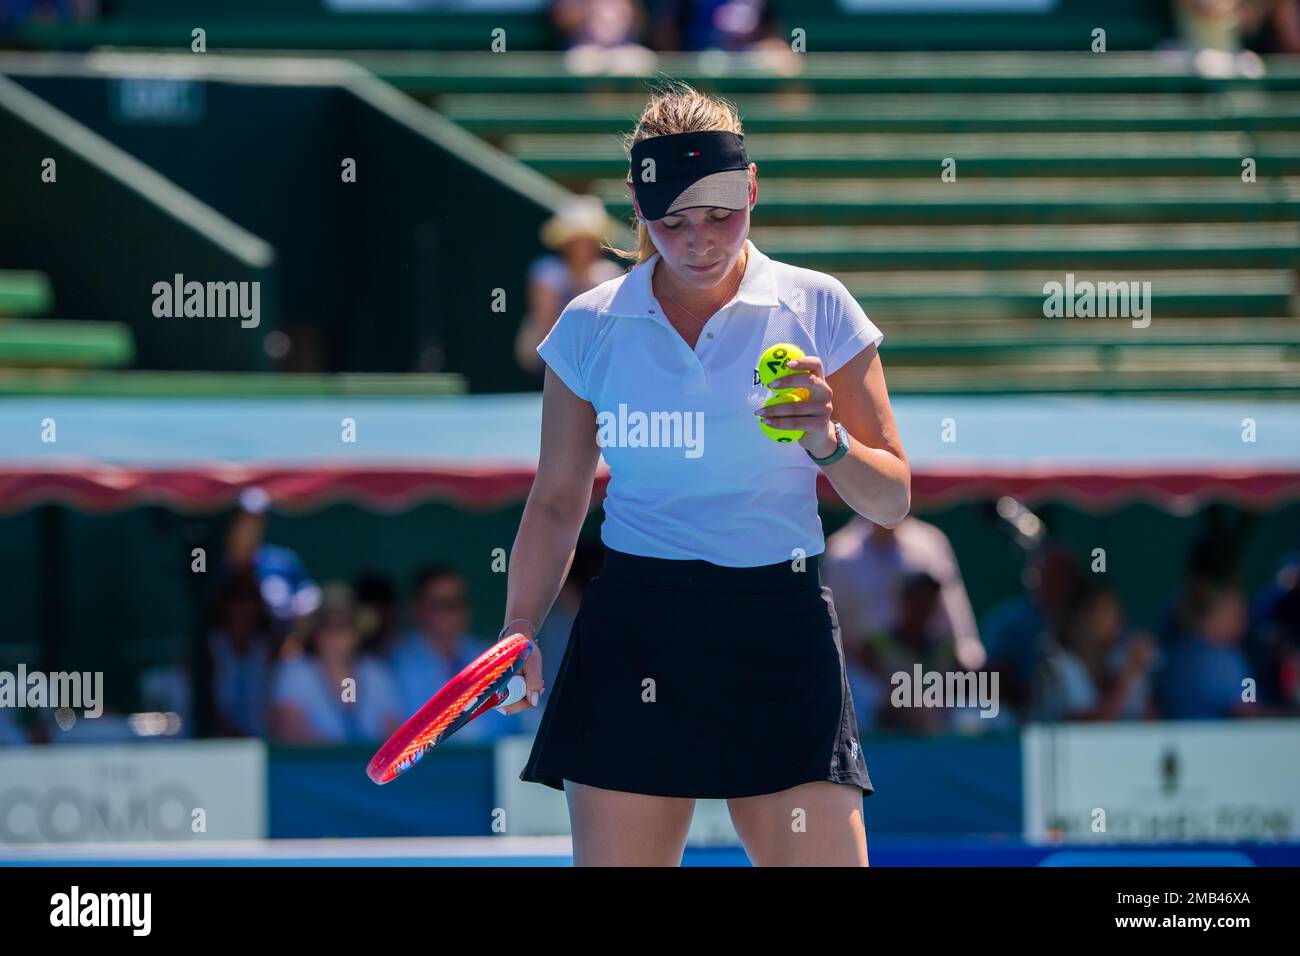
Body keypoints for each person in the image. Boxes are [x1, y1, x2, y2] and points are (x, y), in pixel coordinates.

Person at [502, 83, 910, 866]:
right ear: (635, 205)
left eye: (722, 215)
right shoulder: (587, 325)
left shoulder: (820, 305)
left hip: (781, 624)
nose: (699, 242)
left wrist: (829, 444)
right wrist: (519, 627)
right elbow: (557, 502)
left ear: (752, 188)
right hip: (635, 632)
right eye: (672, 223)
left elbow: (891, 500)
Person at [823, 514, 985, 674]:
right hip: (861, 679)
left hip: (928, 673)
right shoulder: (840, 552)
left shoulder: (930, 542)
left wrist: (968, 657)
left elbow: (957, 623)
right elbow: (834, 632)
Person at [387, 565, 521, 742]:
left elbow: (521, 718)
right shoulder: (394, 664)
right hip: (430, 766)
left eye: (458, 603)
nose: (452, 613)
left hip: (496, 763)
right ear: (417, 609)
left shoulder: (492, 657)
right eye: (442, 605)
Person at [270, 583, 402, 744]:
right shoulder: (295, 673)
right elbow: (290, 732)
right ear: (315, 633)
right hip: (314, 768)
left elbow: (394, 733)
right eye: (326, 625)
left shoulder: (376, 673)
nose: (333, 634)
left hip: (371, 768)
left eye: (342, 626)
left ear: (357, 633)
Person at [515, 196, 624, 386]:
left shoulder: (608, 274)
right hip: (547, 360)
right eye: (576, 241)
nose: (582, 247)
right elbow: (544, 318)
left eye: (587, 241)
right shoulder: (547, 271)